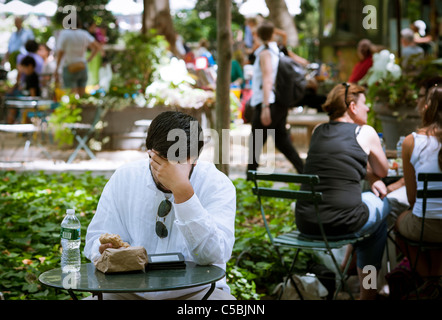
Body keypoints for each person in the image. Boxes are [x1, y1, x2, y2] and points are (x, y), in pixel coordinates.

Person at [84, 111, 236, 300]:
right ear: (150, 153)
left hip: (196, 293)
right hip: (128, 292)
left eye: (178, 164)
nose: (168, 172)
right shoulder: (125, 177)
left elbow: (214, 256)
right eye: (161, 163)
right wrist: (102, 250)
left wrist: (183, 193)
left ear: (195, 159)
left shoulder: (216, 184)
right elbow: (94, 240)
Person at [295, 83, 391, 300]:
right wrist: (375, 177)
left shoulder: (319, 131)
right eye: (364, 104)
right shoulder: (365, 132)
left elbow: (338, 163)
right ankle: (368, 292)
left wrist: (370, 176)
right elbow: (383, 169)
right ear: (352, 107)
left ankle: (347, 267)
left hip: (306, 222)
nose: (368, 109)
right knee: (382, 207)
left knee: (364, 217)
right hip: (342, 223)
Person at [395, 84, 442, 280]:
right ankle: (437, 279)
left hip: (424, 226)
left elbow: (412, 198)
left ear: (427, 107)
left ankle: (427, 279)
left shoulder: (411, 142)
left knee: (398, 222)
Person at [247, 21, 304, 174]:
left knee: (255, 144)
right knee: (282, 141)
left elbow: (267, 79)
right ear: (273, 34)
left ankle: (249, 180)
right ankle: (305, 172)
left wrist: (265, 107)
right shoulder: (275, 50)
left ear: (257, 35)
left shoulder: (265, 53)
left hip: (269, 103)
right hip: (278, 102)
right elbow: (281, 34)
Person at [54, 22, 100, 96]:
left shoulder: (65, 33)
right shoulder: (84, 33)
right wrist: (89, 59)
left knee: (71, 97)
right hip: (82, 66)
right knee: (81, 96)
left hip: (69, 66)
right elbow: (97, 47)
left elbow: (60, 52)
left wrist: (57, 68)